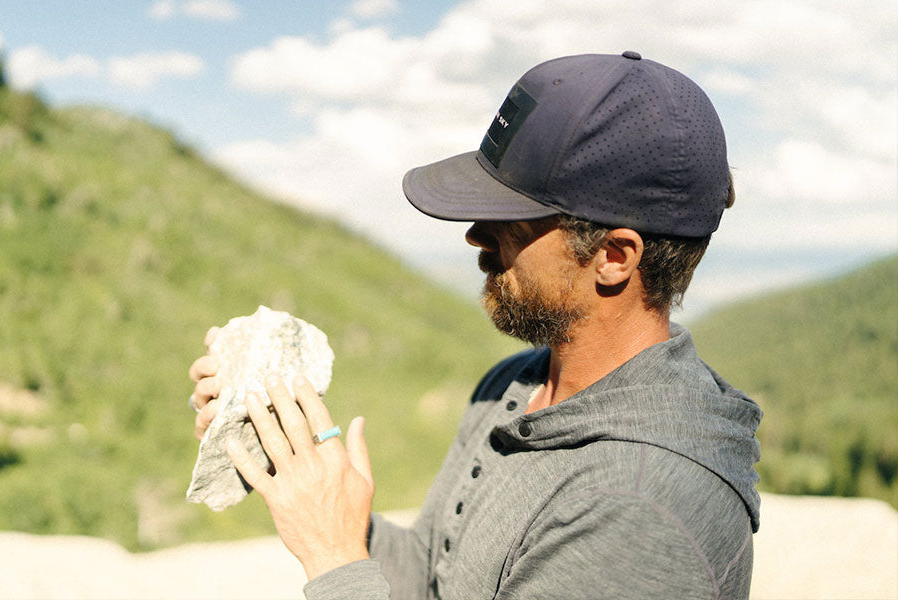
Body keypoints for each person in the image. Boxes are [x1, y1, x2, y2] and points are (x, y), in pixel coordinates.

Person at [189, 52, 762, 599]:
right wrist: (301, 471)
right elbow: (431, 578)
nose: (476, 234)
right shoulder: (515, 386)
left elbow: (349, 566)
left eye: (515, 216)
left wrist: (334, 555)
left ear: (615, 256)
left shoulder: (639, 507)